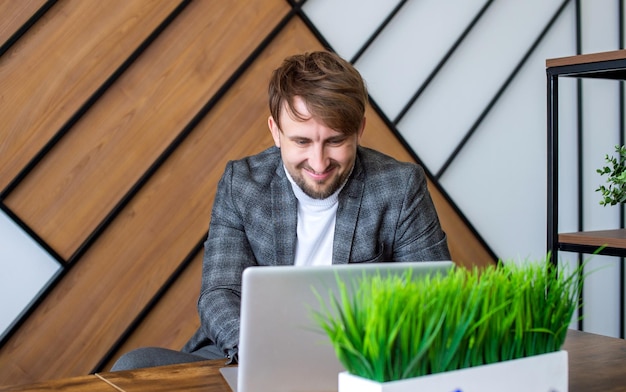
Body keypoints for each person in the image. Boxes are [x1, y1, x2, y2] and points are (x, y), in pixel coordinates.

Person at [110, 50, 450, 371]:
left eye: (334, 141)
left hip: (359, 357)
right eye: (302, 142)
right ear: (275, 131)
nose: (318, 163)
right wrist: (262, 356)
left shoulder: (400, 187)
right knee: (135, 365)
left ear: (359, 130)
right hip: (249, 350)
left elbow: (436, 299)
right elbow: (219, 292)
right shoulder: (242, 183)